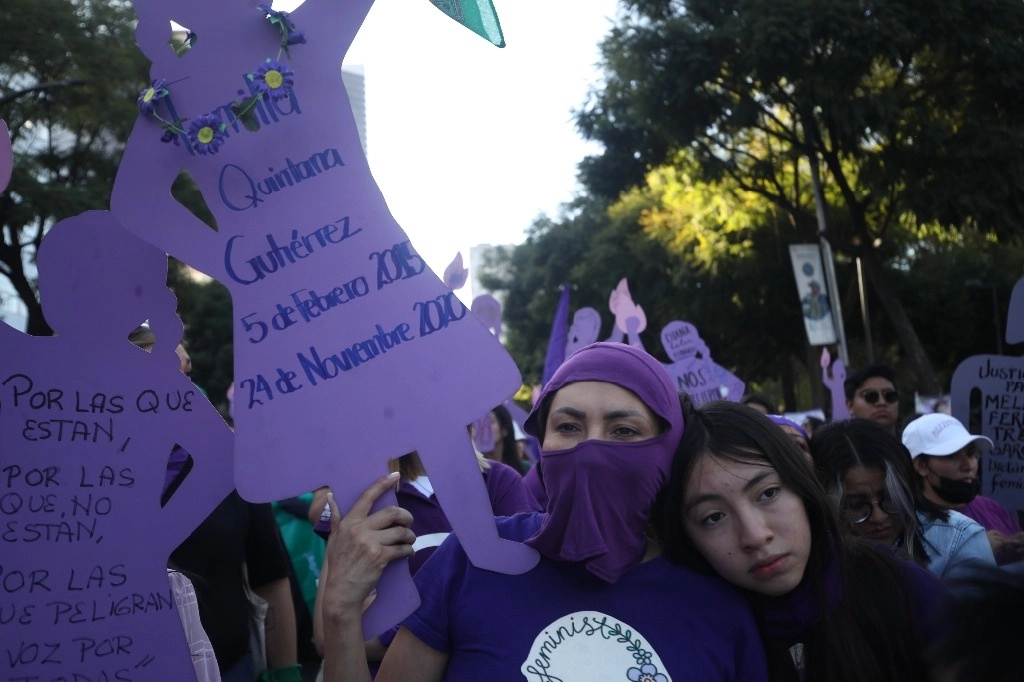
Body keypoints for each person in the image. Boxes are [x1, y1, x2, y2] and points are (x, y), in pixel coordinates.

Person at [320, 342, 769, 681]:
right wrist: (341, 613)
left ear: (666, 449)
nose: (590, 449)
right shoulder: (473, 560)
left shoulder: (720, 604)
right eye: (569, 427)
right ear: (542, 443)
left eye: (624, 429)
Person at [655, 399, 948, 682]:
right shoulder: (687, 639)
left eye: (768, 493)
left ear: (803, 487)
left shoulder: (901, 587)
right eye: (714, 517)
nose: (756, 536)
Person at [310, 450, 539, 676]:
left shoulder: (499, 481)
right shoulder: (358, 491)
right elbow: (328, 635)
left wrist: (394, 625)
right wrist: (449, 627)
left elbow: (521, 603)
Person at [810, 418, 998, 583]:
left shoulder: (957, 541)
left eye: (891, 498)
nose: (880, 517)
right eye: (855, 505)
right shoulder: (808, 556)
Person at [902, 413, 1024, 566]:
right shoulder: (909, 528)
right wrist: (977, 555)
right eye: (952, 456)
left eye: (972, 454)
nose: (969, 465)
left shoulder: (991, 507)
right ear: (921, 466)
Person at [843, 363, 901, 434]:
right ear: (850, 405)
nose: (882, 402)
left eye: (890, 395)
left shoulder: (912, 442)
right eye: (871, 396)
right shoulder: (838, 444)